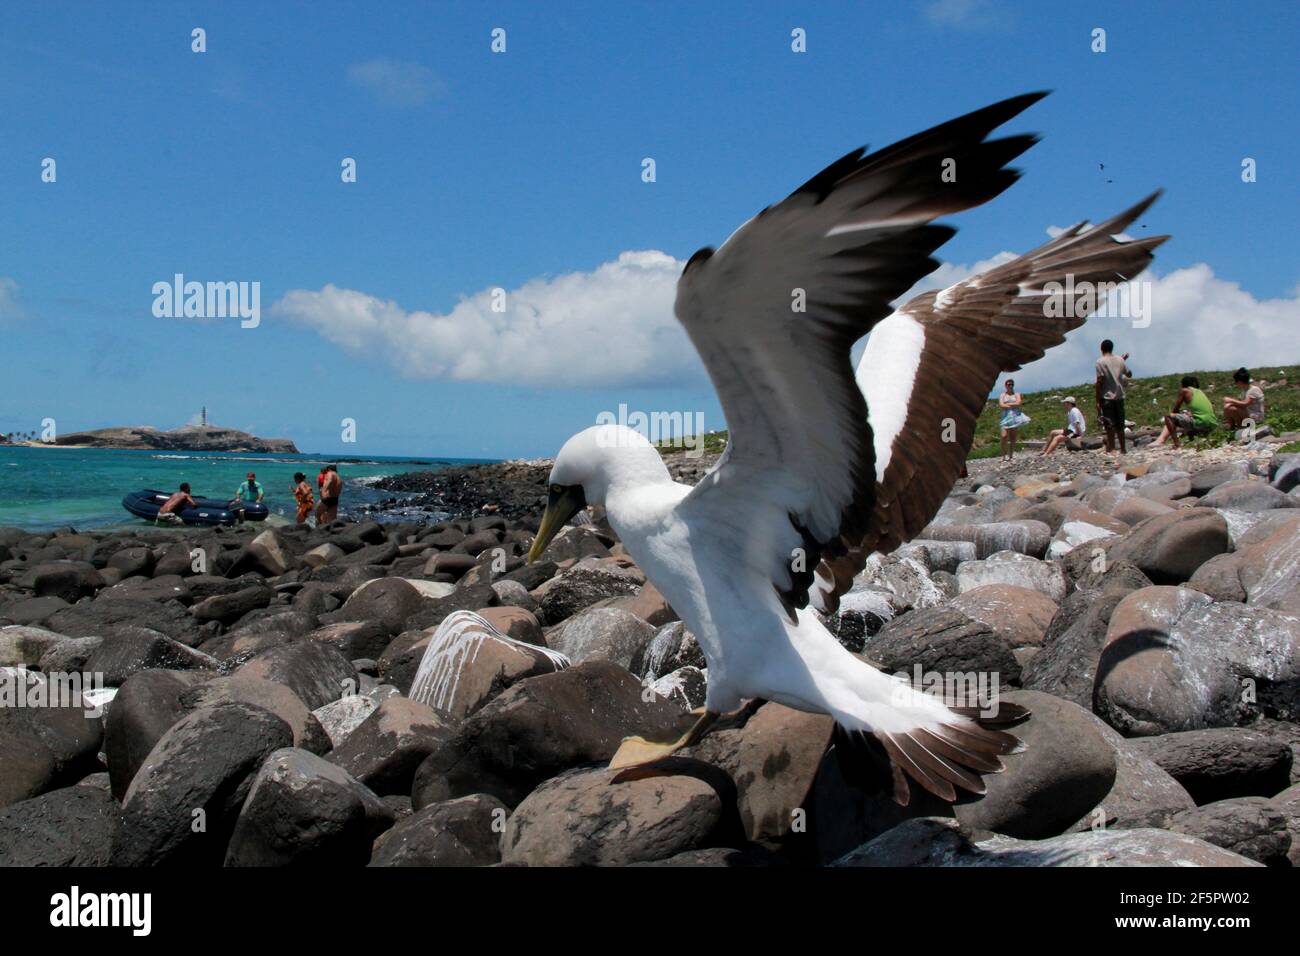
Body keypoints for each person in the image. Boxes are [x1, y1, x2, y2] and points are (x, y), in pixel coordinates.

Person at [1155, 375, 1218, 448]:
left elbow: (1175, 410)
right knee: (1188, 419)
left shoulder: (1184, 391)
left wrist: (1180, 414)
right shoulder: (1200, 392)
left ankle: (1177, 444)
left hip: (1201, 424)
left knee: (1169, 417)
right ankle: (1194, 440)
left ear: (1183, 385)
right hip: (1212, 425)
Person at [1094, 339, 1133, 456]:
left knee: (1109, 424)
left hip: (1107, 396)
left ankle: (1112, 448)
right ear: (1112, 348)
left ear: (1101, 349)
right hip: (1119, 396)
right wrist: (1122, 362)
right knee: (1120, 424)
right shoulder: (1120, 360)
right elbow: (1129, 373)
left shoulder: (1100, 362)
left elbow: (1099, 381)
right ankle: (1123, 449)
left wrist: (1097, 400)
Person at [998, 378, 1030, 462]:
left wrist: (1007, 404)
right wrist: (1013, 405)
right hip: (1005, 417)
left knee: (1013, 437)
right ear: (1005, 385)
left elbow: (1018, 403)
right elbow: (1001, 405)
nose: (1010, 386)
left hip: (1015, 416)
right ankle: (1003, 455)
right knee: (1004, 436)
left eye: (1012, 384)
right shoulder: (1002, 395)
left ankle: (1011, 454)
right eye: (1008, 384)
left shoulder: (1017, 394)